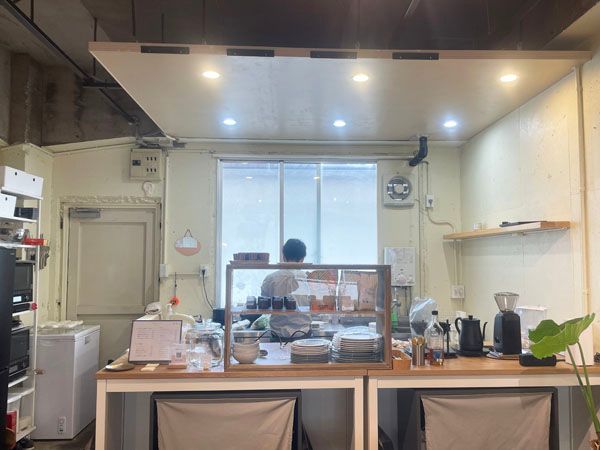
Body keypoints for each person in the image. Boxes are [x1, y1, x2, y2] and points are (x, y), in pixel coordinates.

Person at [261, 239, 311, 339]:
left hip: (277, 333)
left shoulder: (270, 278)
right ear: (302, 259)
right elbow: (314, 303)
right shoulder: (308, 278)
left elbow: (264, 302)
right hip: (303, 333)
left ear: (283, 257)